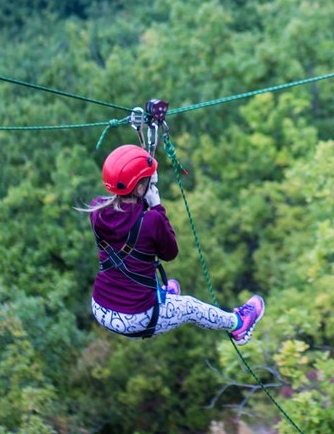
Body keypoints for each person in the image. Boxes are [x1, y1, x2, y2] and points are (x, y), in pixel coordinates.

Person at [83, 144, 264, 344]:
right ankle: (238, 324)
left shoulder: (96, 210)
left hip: (100, 307)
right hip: (137, 317)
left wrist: (144, 188)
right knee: (190, 307)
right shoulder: (152, 219)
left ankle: (163, 297)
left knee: (138, 270)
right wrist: (157, 206)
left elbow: (127, 217)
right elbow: (170, 252)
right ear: (141, 187)